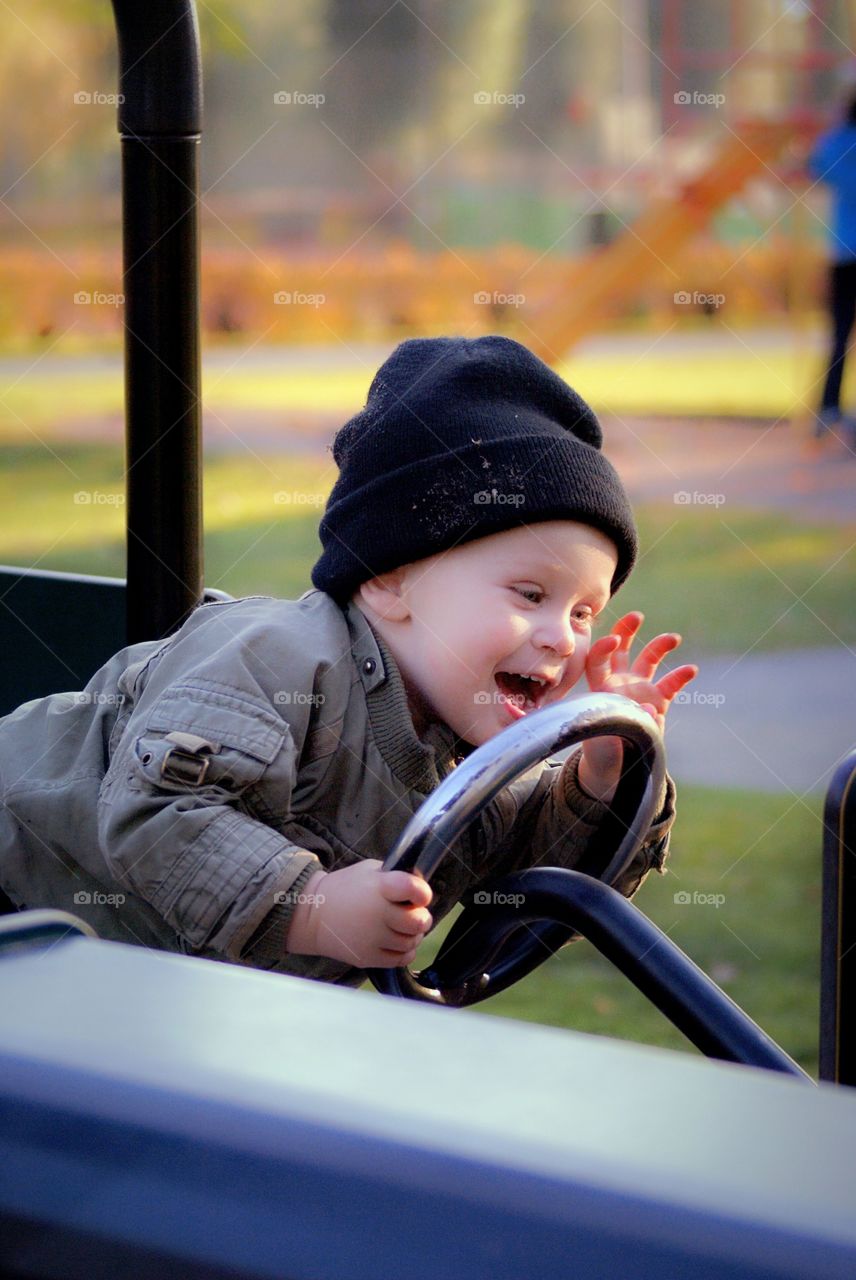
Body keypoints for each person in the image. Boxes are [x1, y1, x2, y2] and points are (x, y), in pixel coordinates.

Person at [0, 336, 696, 982]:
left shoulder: (470, 758)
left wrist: (605, 778)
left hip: (125, 990)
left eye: (583, 611)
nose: (562, 638)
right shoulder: (277, 659)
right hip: (16, 904)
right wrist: (315, 904)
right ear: (390, 581)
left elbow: (536, 878)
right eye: (530, 593)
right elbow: (156, 813)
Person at [809, 91, 856, 443]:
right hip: (844, 252)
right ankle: (829, 409)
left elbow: (812, 164)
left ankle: (829, 408)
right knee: (838, 335)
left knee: (839, 334)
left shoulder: (837, 142)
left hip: (844, 254)